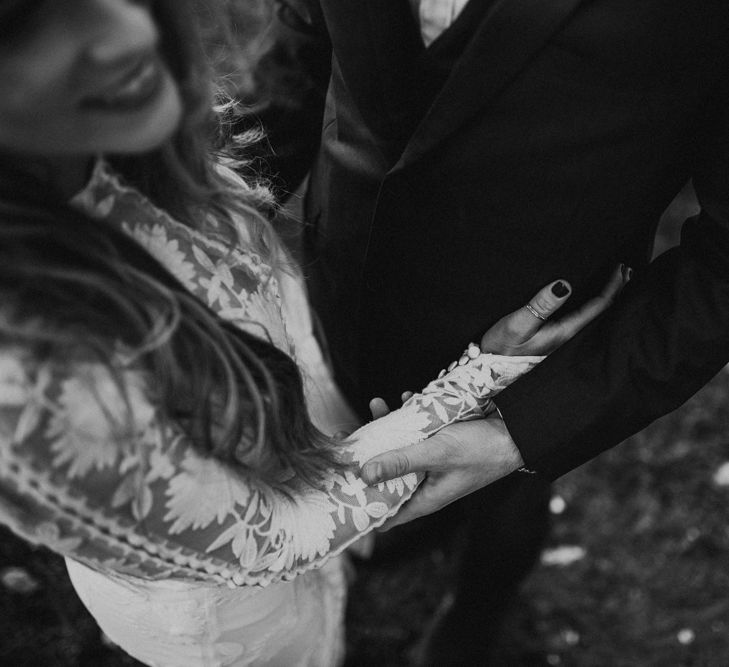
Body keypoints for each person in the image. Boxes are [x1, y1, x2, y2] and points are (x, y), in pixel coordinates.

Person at [0, 1, 623, 665]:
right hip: (234, 606)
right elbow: (273, 536)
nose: (125, 31)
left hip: (290, 465)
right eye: (21, 31)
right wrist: (478, 377)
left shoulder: (100, 160)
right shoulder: (24, 390)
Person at [242, 0, 729, 662]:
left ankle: (477, 607)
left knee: (503, 512)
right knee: (365, 427)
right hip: (344, 272)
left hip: (529, 350)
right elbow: (299, 45)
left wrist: (523, 431)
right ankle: (406, 526)